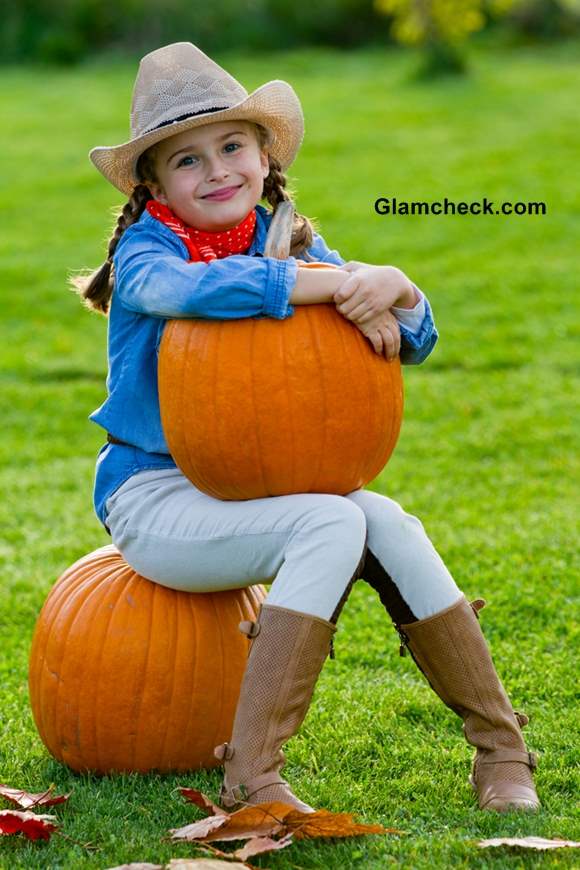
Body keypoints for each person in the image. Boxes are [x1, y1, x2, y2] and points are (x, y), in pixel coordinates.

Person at [73, 42, 539, 815]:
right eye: (187, 160)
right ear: (153, 183)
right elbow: (190, 290)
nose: (217, 170)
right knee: (330, 518)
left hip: (257, 486)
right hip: (158, 500)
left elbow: (411, 340)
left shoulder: (287, 235)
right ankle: (251, 777)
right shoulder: (148, 253)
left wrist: (397, 290)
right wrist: (320, 284)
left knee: (380, 516)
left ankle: (501, 750)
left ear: (263, 156)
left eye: (232, 146)